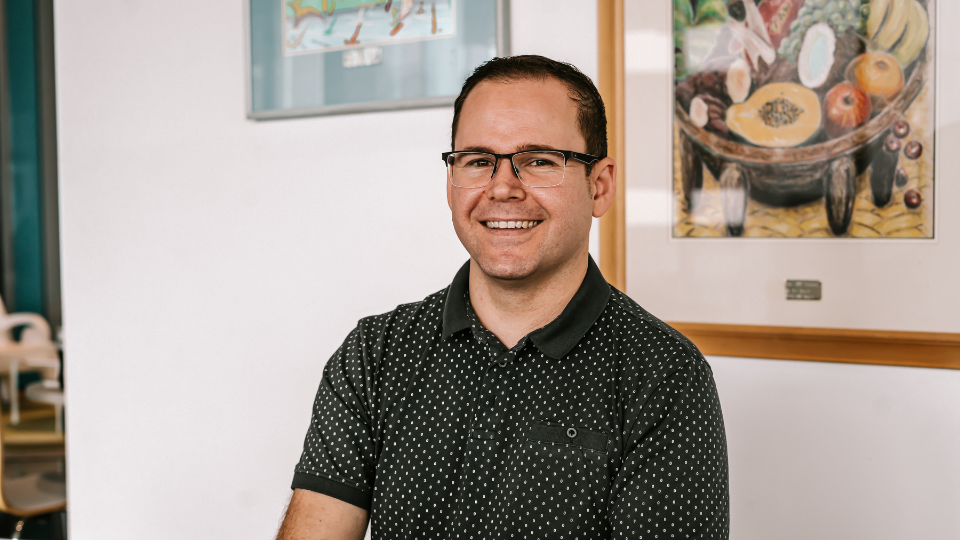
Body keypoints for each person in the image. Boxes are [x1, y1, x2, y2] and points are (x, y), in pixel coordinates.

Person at [276, 55, 729, 540]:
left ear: (599, 187)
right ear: (451, 182)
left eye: (539, 161)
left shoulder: (665, 375)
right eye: (478, 161)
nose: (503, 188)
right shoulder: (376, 353)